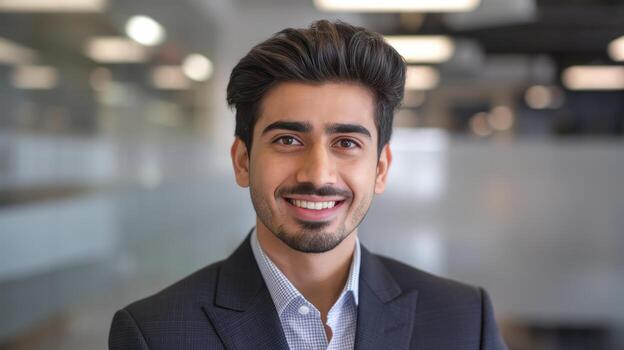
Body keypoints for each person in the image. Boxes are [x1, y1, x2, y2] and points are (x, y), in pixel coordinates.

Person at [109, 20, 508, 350]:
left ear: (381, 168)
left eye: (347, 143)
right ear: (243, 160)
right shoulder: (154, 334)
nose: (318, 175)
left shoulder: (462, 321)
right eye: (288, 140)